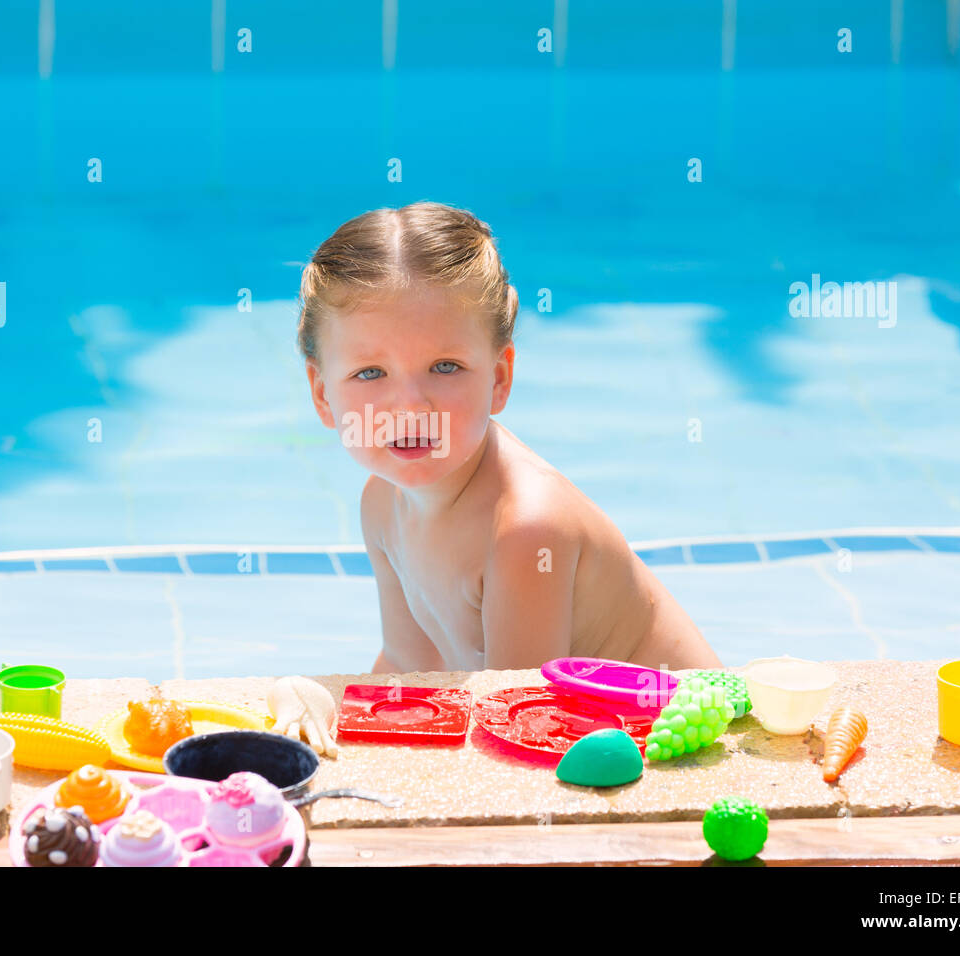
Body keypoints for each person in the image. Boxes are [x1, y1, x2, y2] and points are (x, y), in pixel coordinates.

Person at [296, 201, 721, 674]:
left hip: (674, 735)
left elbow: (519, 718)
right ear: (323, 395)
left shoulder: (525, 530)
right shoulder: (381, 504)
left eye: (445, 367)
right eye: (370, 372)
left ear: (499, 378)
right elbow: (408, 666)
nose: (411, 406)